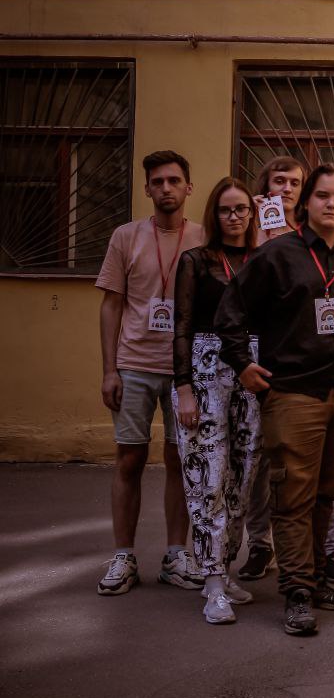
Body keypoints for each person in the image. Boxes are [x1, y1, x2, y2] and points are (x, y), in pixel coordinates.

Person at [215, 163, 334, 635]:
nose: (332, 204)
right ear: (306, 201)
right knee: (293, 495)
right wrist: (241, 364)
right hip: (293, 393)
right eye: (323, 196)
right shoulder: (276, 256)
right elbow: (230, 313)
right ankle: (297, 592)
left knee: (324, 494)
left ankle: (311, 577)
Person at [95, 150, 205, 596]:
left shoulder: (202, 237)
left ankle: (176, 555)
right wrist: (109, 371)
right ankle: (124, 555)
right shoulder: (126, 237)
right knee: (130, 458)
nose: (165, 188)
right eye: (157, 181)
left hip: (186, 369)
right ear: (146, 189)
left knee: (181, 460)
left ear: (188, 188)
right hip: (135, 364)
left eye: (174, 181)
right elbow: (111, 305)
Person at [171, 177, 261, 623]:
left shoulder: (263, 260)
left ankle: (225, 571)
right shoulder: (195, 261)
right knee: (208, 476)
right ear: (214, 214)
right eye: (226, 209)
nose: (234, 216)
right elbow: (182, 326)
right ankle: (209, 583)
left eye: (242, 208)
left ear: (253, 212)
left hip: (253, 370)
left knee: (241, 479)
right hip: (206, 373)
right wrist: (183, 387)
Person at [240, 155, 307, 582]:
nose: (286, 188)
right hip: (254, 354)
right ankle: (259, 545)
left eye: (294, 182)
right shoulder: (249, 226)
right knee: (257, 459)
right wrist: (261, 228)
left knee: (301, 457)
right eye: (278, 181)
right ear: (265, 184)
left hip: (299, 355)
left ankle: (314, 549)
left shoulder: (310, 231)